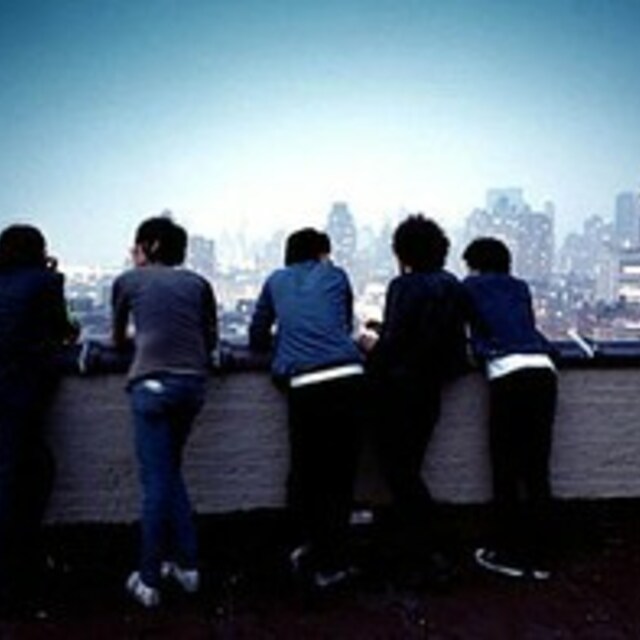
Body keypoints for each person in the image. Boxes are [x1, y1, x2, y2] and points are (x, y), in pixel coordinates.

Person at [249, 227, 365, 590]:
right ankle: (336, 560)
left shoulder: (275, 280)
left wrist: (284, 342)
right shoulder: (337, 275)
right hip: (348, 378)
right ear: (321, 255)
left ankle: (304, 550)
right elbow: (343, 324)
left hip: (305, 384)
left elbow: (257, 334)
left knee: (306, 471)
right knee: (340, 475)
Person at [111, 216, 218, 607]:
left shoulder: (128, 281)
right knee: (169, 473)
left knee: (156, 482)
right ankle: (187, 568)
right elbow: (210, 338)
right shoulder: (199, 284)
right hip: (193, 386)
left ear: (150, 246)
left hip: (152, 385)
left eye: (136, 245)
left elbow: (116, 338)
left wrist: (142, 338)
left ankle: (149, 578)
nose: (132, 252)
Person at [362, 214, 468, 582]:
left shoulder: (402, 286)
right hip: (429, 392)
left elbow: (394, 344)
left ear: (402, 252)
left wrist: (370, 344)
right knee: (409, 469)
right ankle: (423, 549)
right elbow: (447, 342)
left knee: (399, 473)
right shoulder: (452, 286)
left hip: (395, 392)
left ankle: (431, 551)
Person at [462, 236, 557, 580]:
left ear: (474, 265)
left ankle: (507, 553)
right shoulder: (520, 287)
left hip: (508, 374)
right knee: (536, 469)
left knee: (505, 467)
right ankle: (542, 557)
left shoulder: (469, 287)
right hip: (543, 371)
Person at [0, 224, 77, 615]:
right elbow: (64, 329)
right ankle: (17, 571)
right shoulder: (46, 282)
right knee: (27, 470)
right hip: (19, 384)